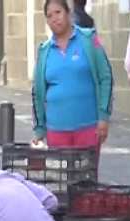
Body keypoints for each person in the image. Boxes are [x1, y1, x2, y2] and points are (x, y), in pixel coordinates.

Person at [32, 0, 113, 149]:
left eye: (58, 12)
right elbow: (37, 92)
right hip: (56, 130)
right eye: (49, 16)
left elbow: (105, 77)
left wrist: (103, 116)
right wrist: (39, 129)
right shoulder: (44, 51)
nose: (54, 19)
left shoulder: (89, 39)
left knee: (85, 171)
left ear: (68, 13)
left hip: (88, 127)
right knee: (60, 172)